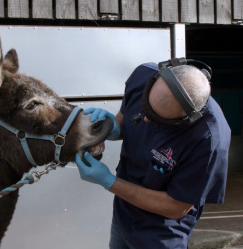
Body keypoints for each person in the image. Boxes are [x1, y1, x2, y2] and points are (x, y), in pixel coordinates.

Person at [75, 60, 231, 249]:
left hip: (160, 233)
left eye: (158, 119)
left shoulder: (209, 139)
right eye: (145, 109)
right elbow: (124, 121)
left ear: (187, 117)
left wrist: (109, 181)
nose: (146, 119)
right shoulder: (142, 75)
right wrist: (111, 128)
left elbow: (176, 207)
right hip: (123, 215)